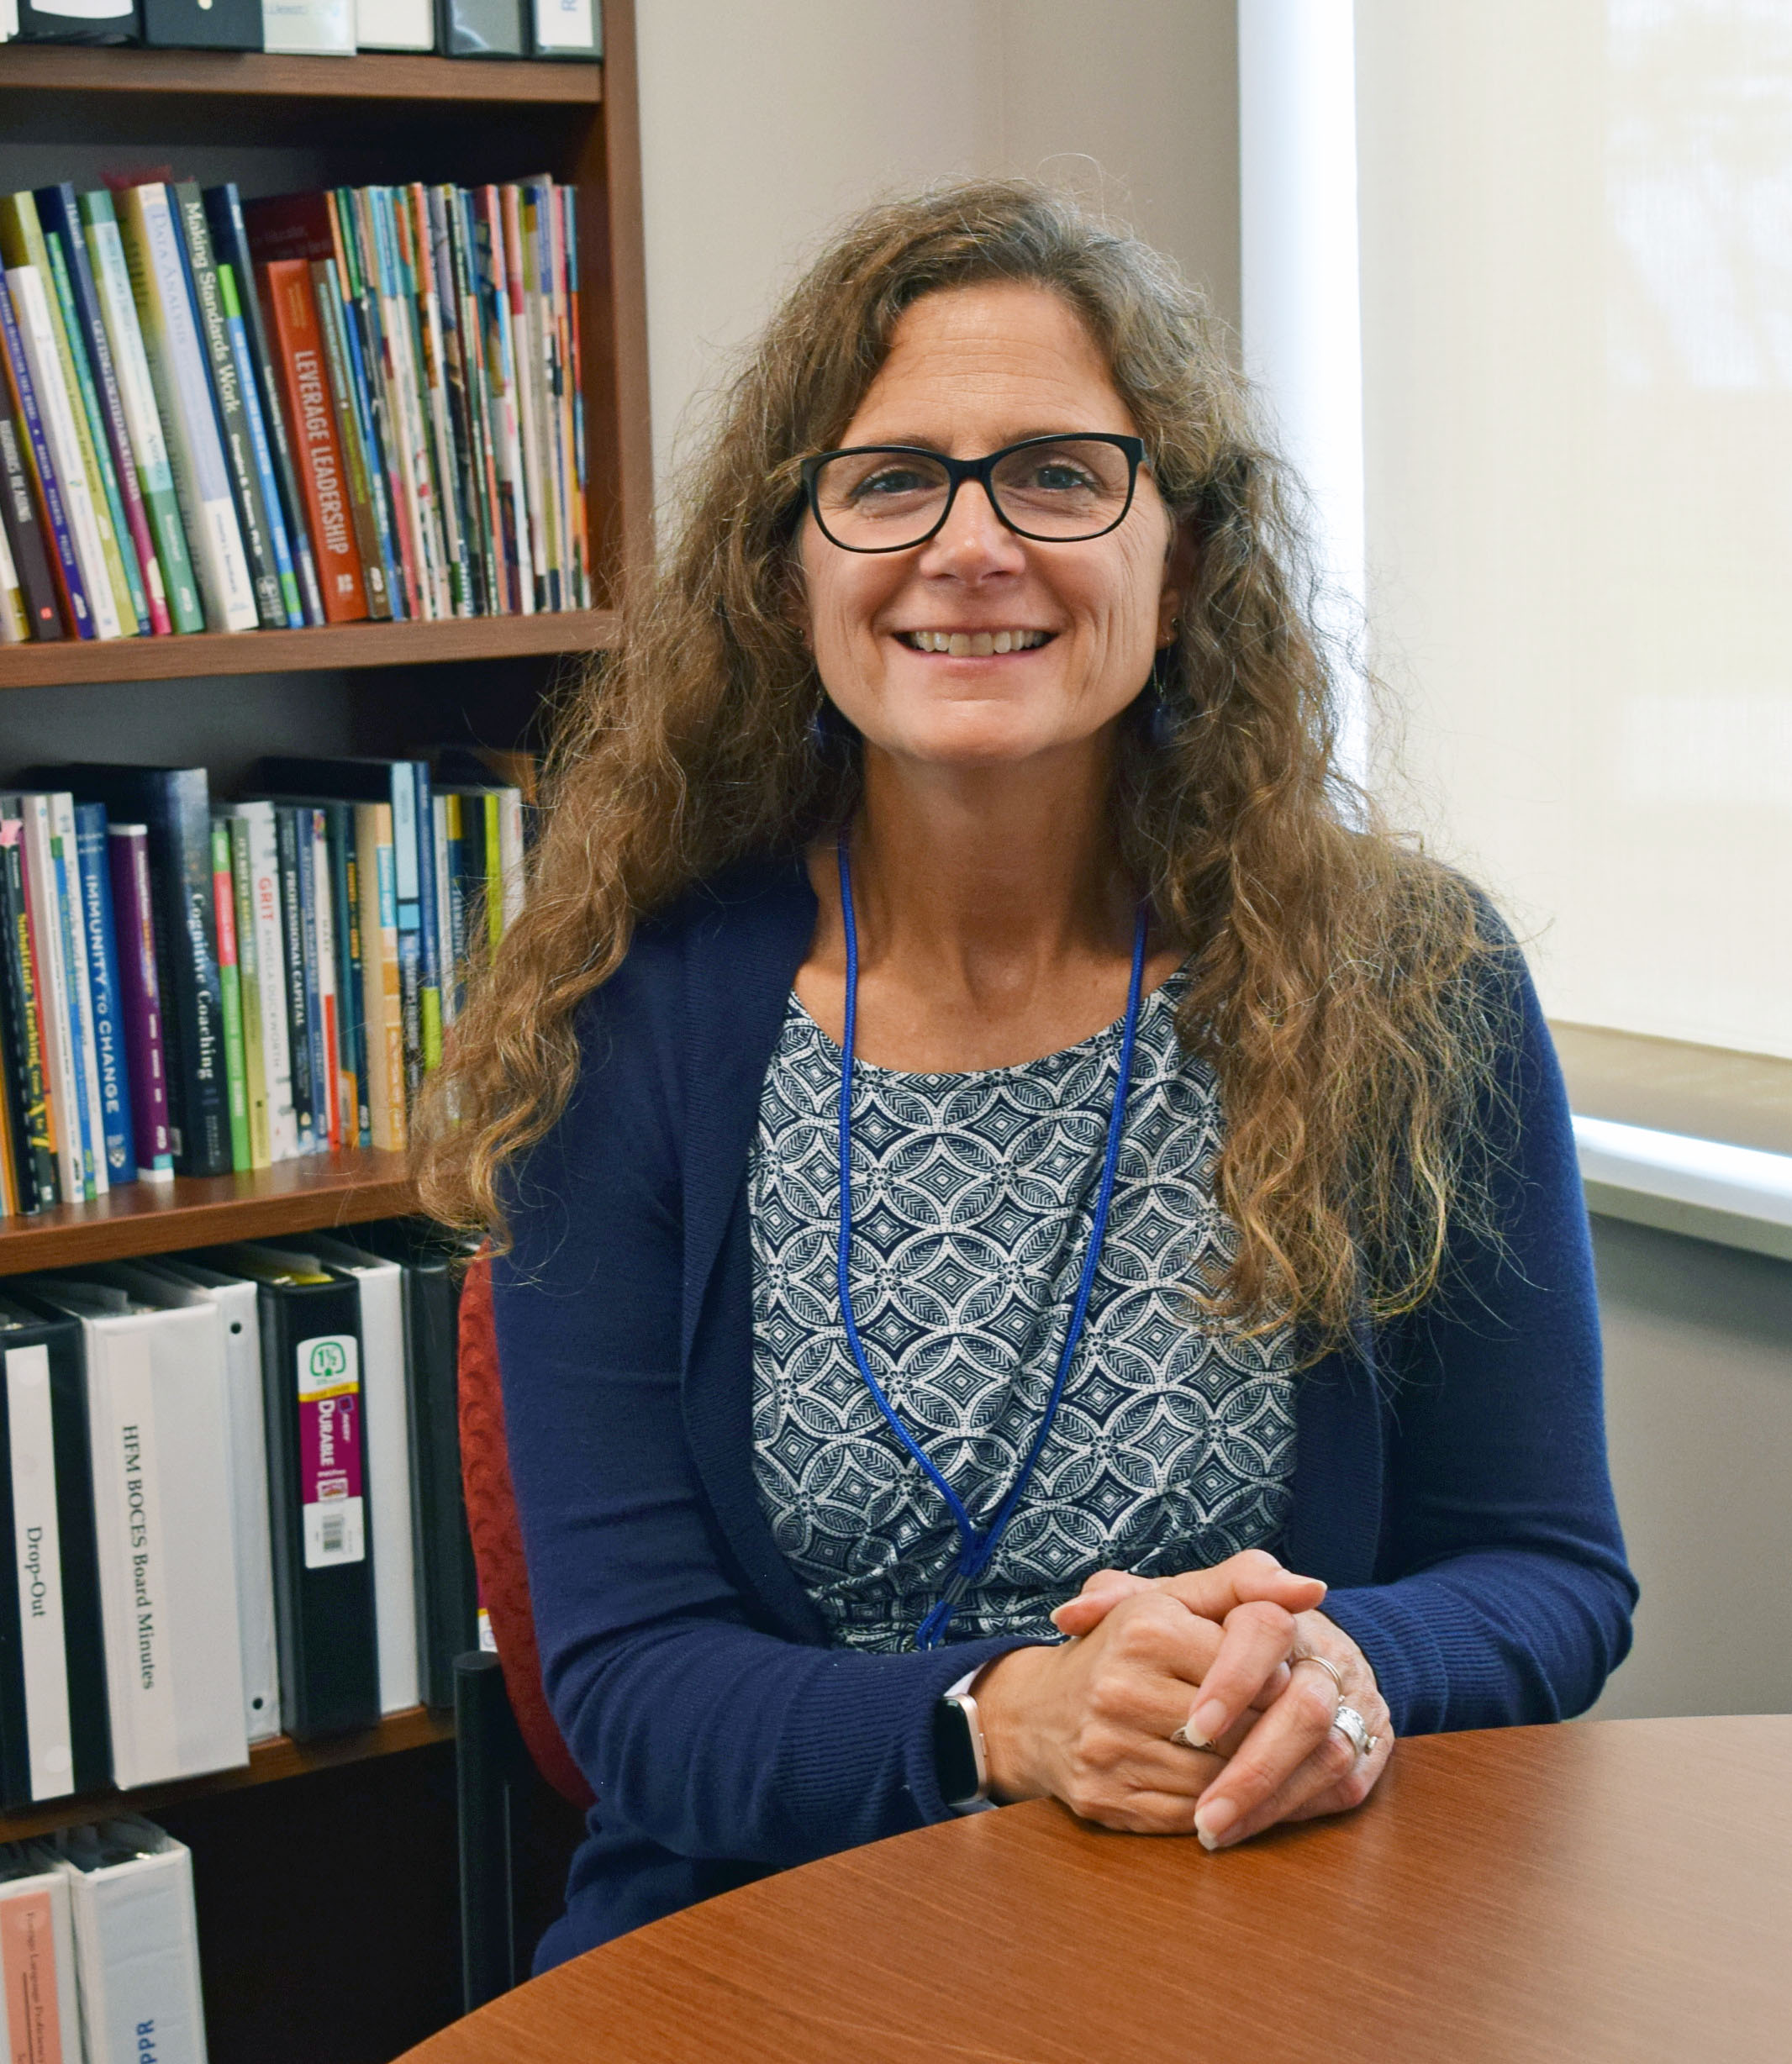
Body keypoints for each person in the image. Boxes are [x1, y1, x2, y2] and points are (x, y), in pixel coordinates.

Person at [414, 179, 1634, 1971]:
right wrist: (1001, 1718)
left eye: (1058, 475)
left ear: (1185, 552)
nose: (969, 545)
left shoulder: (1405, 980)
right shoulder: (622, 1015)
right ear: (787, 565)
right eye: (889, 478)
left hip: (1273, 1933)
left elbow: (1544, 1568)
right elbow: (628, 1686)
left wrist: (1339, 1667)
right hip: (760, 1955)